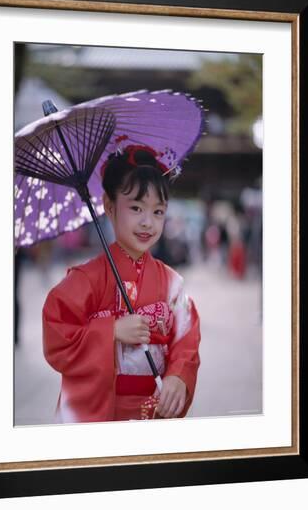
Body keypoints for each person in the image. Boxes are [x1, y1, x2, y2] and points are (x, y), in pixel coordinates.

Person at [42, 144, 201, 423]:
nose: (147, 223)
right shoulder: (85, 279)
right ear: (108, 205)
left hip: (153, 409)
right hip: (97, 412)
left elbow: (186, 338)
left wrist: (178, 376)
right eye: (136, 207)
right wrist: (110, 330)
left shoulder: (172, 283)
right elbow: (57, 336)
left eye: (158, 212)